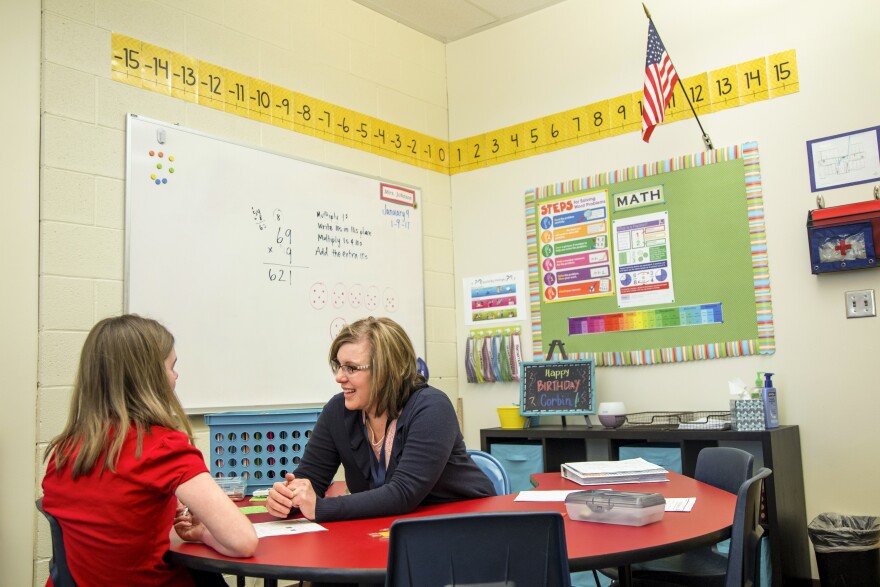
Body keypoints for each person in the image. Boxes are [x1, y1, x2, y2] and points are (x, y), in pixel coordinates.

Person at [41, 314, 257, 587]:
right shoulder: (163, 447)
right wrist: (201, 534)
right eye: (171, 367)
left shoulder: (63, 452)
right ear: (151, 378)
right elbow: (243, 542)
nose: (176, 376)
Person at [266, 316, 495, 523]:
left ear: (386, 370)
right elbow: (310, 479)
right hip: (395, 528)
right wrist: (290, 499)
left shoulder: (432, 408)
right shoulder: (337, 410)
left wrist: (320, 508)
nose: (339, 377)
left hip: (464, 526)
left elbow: (403, 493)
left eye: (351, 368)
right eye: (338, 365)